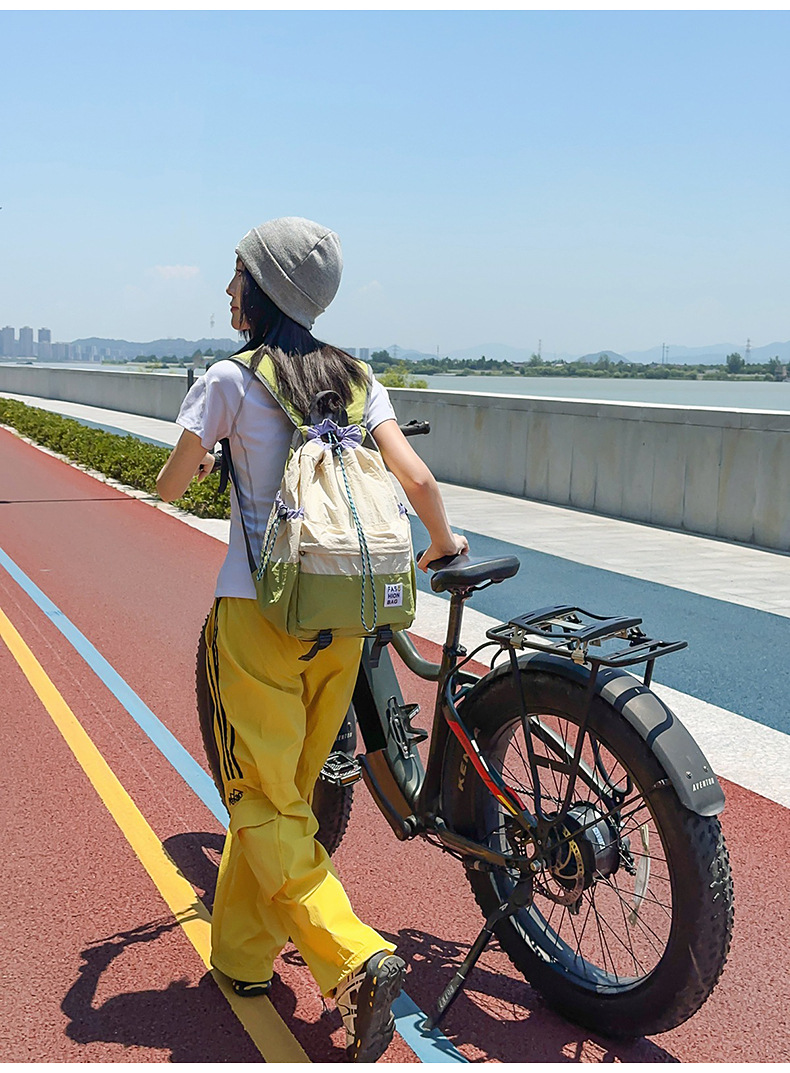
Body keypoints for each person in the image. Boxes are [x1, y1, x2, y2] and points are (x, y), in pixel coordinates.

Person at [156, 216, 468, 1062]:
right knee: (287, 792)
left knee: (260, 800)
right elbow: (419, 478)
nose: (227, 292)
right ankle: (243, 958)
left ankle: (352, 954)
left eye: (236, 277)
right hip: (345, 623)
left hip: (258, 616)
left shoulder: (229, 377)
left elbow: (172, 481)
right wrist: (444, 544)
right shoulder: (359, 378)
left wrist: (206, 462)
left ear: (261, 290)